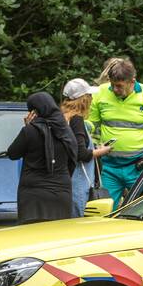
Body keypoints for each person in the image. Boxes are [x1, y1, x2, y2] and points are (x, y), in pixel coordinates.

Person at [88, 58, 143, 207]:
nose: (115, 89)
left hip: (139, 166)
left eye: (119, 86)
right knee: (105, 210)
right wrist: (90, 152)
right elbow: (91, 127)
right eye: (112, 85)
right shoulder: (100, 93)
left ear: (132, 81)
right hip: (109, 167)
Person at [6, 92, 78, 224]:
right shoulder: (66, 131)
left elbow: (12, 154)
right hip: (61, 192)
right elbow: (73, 159)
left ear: (34, 112)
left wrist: (28, 127)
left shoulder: (29, 131)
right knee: (59, 234)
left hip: (33, 194)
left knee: (32, 233)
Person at [60, 78, 112, 217]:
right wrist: (102, 151)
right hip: (78, 183)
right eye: (89, 95)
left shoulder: (61, 118)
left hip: (64, 181)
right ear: (83, 99)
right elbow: (81, 153)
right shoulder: (76, 119)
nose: (92, 98)